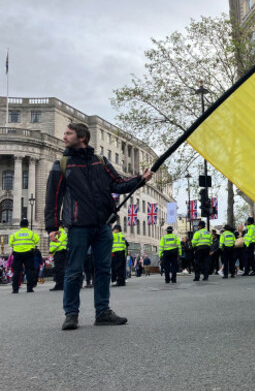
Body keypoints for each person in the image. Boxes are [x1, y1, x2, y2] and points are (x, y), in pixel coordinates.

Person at [45, 122, 153, 330]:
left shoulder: (101, 162)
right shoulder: (62, 164)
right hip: (77, 226)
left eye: (69, 133)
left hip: (103, 226)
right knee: (74, 271)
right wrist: (53, 226)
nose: (65, 136)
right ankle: (71, 314)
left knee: (104, 269)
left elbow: (118, 184)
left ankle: (102, 312)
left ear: (82, 137)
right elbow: (53, 198)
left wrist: (140, 179)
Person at [9, 219, 39, 294]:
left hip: (17, 253)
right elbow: (37, 241)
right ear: (27, 225)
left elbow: (10, 243)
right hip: (28, 254)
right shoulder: (32, 234)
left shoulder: (15, 234)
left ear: (20, 225)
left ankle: (15, 289)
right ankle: (29, 288)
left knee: (16, 271)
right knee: (29, 270)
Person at [48, 226, 68, 291]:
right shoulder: (60, 232)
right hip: (59, 252)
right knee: (59, 269)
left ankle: (59, 285)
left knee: (59, 270)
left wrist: (51, 250)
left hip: (60, 252)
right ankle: (60, 284)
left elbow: (58, 242)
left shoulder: (61, 232)